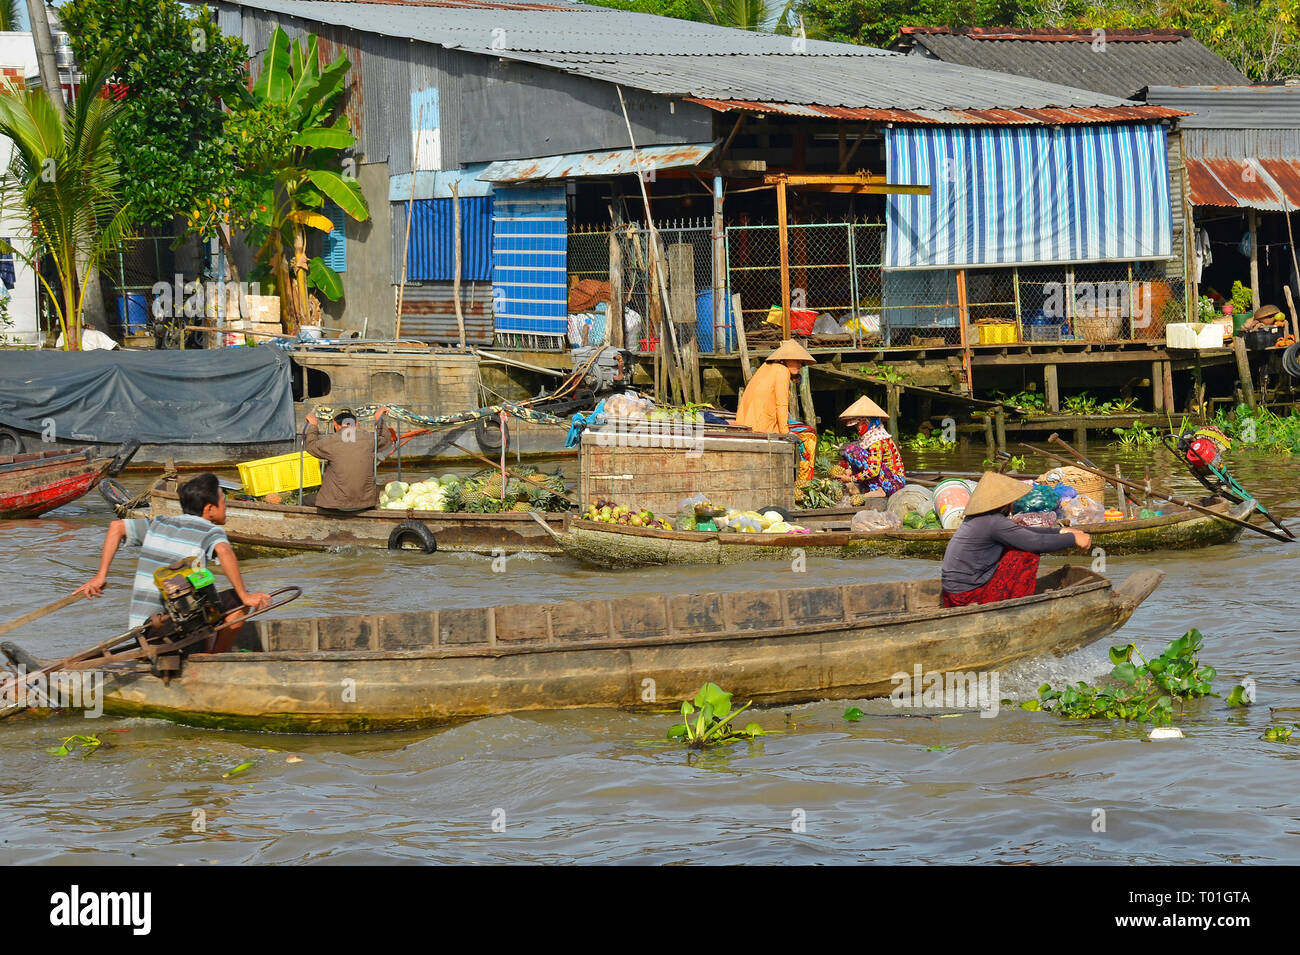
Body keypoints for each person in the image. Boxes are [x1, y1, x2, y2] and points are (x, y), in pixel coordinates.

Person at [76, 472, 271, 651]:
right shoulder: (211, 531)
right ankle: (212, 662)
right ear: (210, 509)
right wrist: (245, 595)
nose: (226, 506)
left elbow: (116, 527)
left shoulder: (160, 523)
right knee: (238, 602)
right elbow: (224, 550)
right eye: (223, 501)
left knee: (205, 591)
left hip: (142, 631)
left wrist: (100, 576)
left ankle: (204, 653)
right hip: (173, 628)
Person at [940, 472, 1091, 607]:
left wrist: (1061, 531)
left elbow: (1022, 532)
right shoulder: (993, 522)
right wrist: (1072, 539)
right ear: (1005, 503)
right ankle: (1017, 605)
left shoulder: (979, 519)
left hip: (951, 595)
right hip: (966, 597)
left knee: (1019, 543)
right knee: (1026, 552)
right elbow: (1036, 542)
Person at [734, 339, 818, 480]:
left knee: (799, 428)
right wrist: (785, 432)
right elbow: (781, 404)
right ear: (785, 359)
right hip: (762, 425)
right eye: (796, 361)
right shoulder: (782, 371)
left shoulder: (766, 367)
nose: (799, 365)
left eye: (800, 362)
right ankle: (804, 482)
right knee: (810, 434)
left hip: (748, 421)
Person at [304, 406, 395, 512]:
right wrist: (378, 418)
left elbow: (311, 446)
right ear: (355, 424)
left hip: (336, 503)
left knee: (303, 500)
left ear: (334, 424)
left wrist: (313, 425)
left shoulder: (329, 442)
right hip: (366, 502)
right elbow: (386, 439)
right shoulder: (369, 438)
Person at [836, 395, 906, 498]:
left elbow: (873, 470)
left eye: (858, 424)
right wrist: (850, 471)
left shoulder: (877, 440)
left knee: (853, 451)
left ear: (867, 422)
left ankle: (878, 490)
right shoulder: (870, 438)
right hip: (887, 479)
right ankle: (869, 487)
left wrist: (851, 479)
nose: (857, 428)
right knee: (851, 451)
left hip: (893, 483)